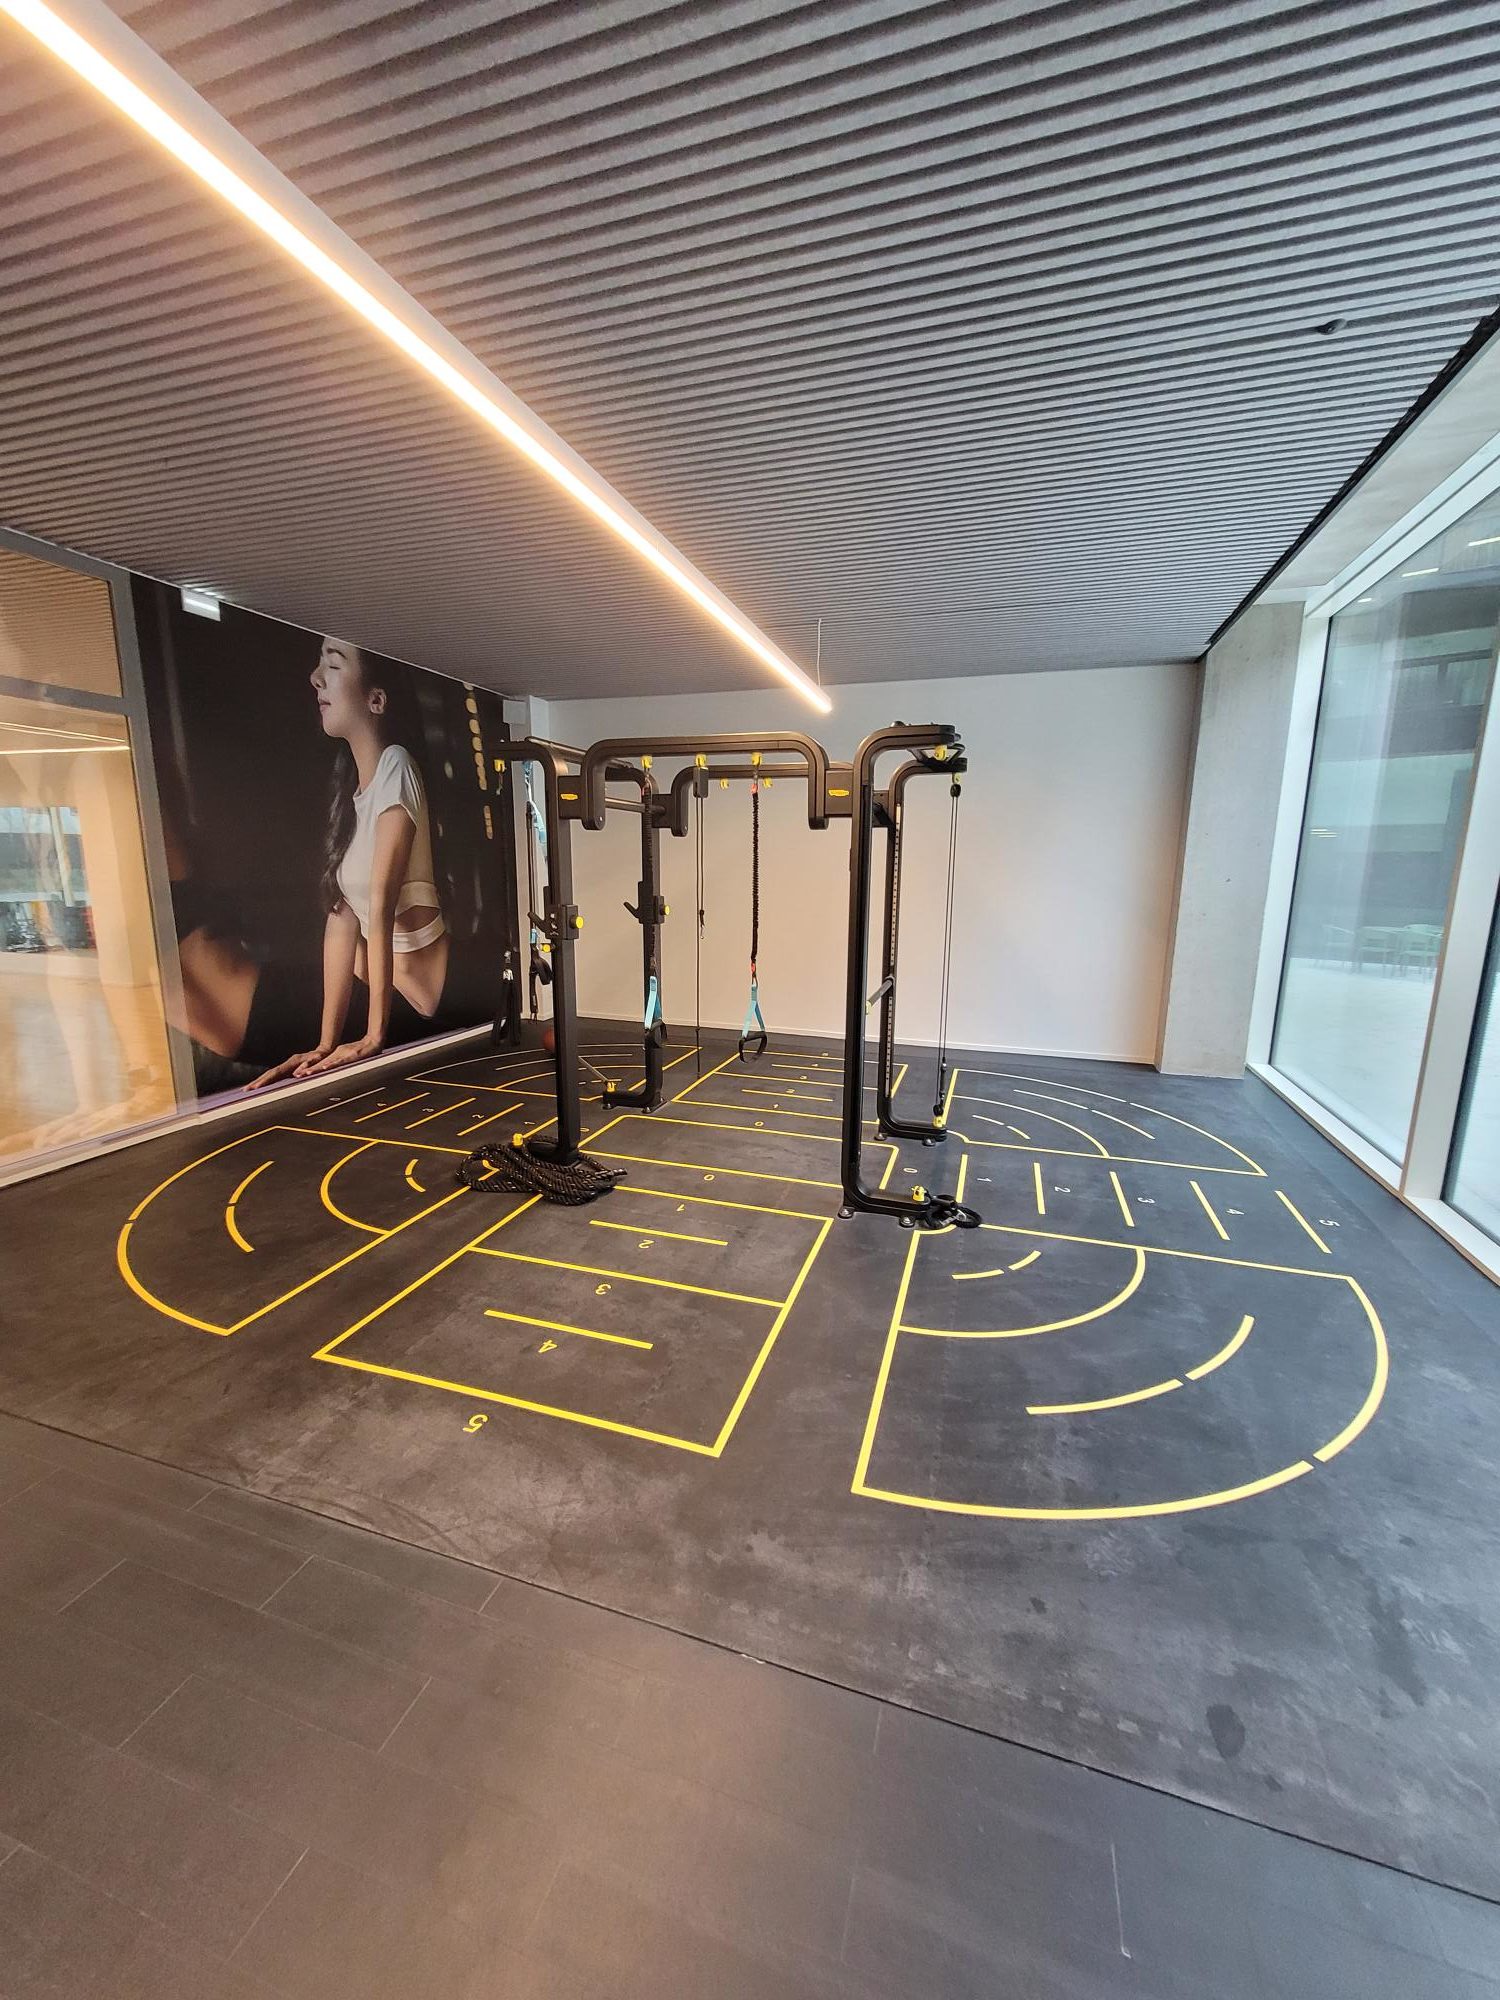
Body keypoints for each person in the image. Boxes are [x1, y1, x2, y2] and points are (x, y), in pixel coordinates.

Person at [249, 638, 459, 1088]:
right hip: (397, 992)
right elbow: (341, 921)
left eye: (334, 664)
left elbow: (381, 905)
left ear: (376, 699)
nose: (316, 678)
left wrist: (372, 1037)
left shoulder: (396, 767)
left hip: (435, 994)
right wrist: (325, 1044)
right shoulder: (353, 798)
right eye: (318, 664)